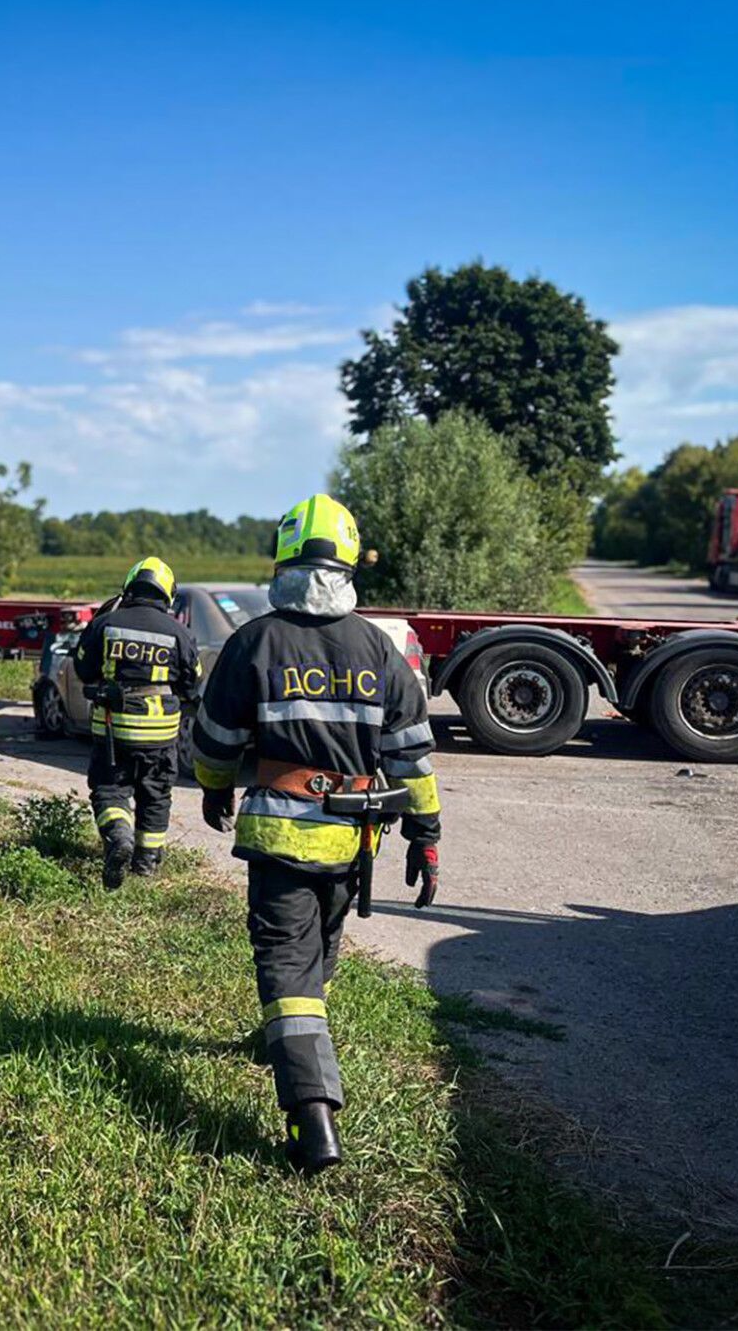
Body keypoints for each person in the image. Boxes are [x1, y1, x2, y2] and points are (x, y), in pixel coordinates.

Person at [189, 494, 442, 1175]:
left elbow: (213, 740)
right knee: (319, 952)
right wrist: (426, 835)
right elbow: (413, 758)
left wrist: (215, 785)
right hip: (354, 841)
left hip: (281, 838)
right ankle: (287, 1040)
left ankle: (314, 1115)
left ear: (284, 561)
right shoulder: (379, 649)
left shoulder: (255, 641)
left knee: (287, 963)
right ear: (350, 564)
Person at [71, 557, 202, 889]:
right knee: (155, 794)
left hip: (113, 730)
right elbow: (192, 684)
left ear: (129, 586)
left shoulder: (106, 623)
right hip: (160, 734)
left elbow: (83, 669)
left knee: (109, 789)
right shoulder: (180, 632)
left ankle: (119, 836)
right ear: (167, 593)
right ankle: (145, 864)